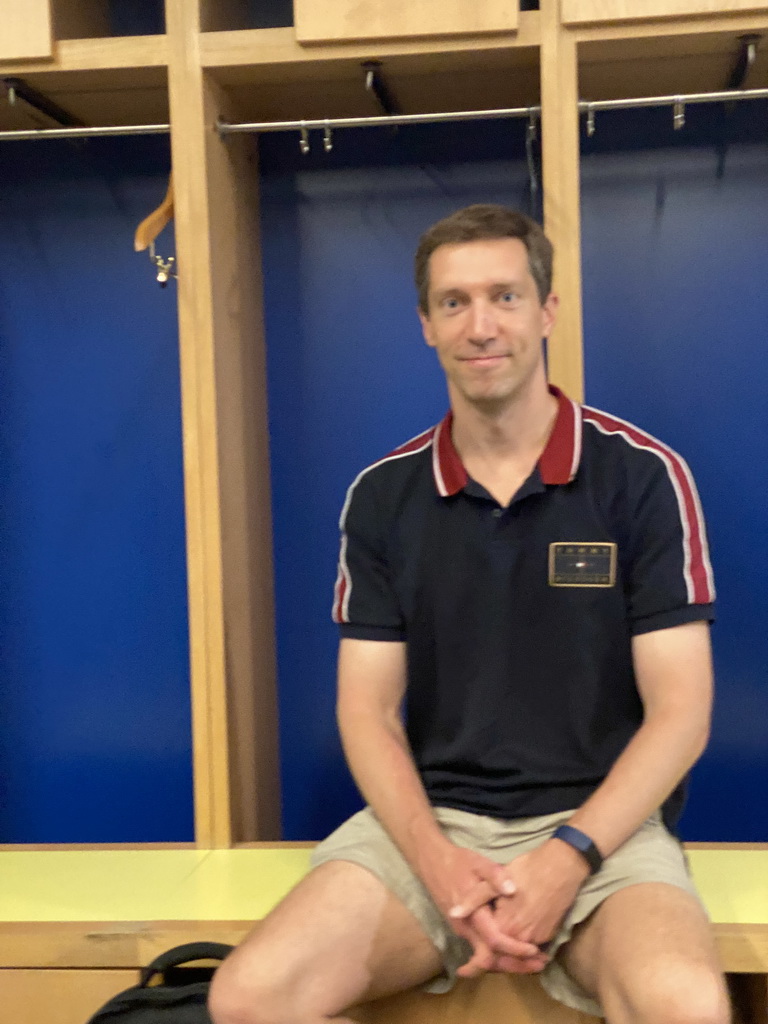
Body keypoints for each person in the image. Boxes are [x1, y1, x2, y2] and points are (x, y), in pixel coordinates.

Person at [209, 204, 730, 1024]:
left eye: (505, 296)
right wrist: (439, 861)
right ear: (426, 324)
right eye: (454, 302)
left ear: (547, 310)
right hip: (432, 825)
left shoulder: (641, 477)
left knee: (687, 1006)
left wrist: (567, 858)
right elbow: (367, 711)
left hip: (601, 830)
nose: (480, 325)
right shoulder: (384, 497)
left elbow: (681, 712)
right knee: (249, 998)